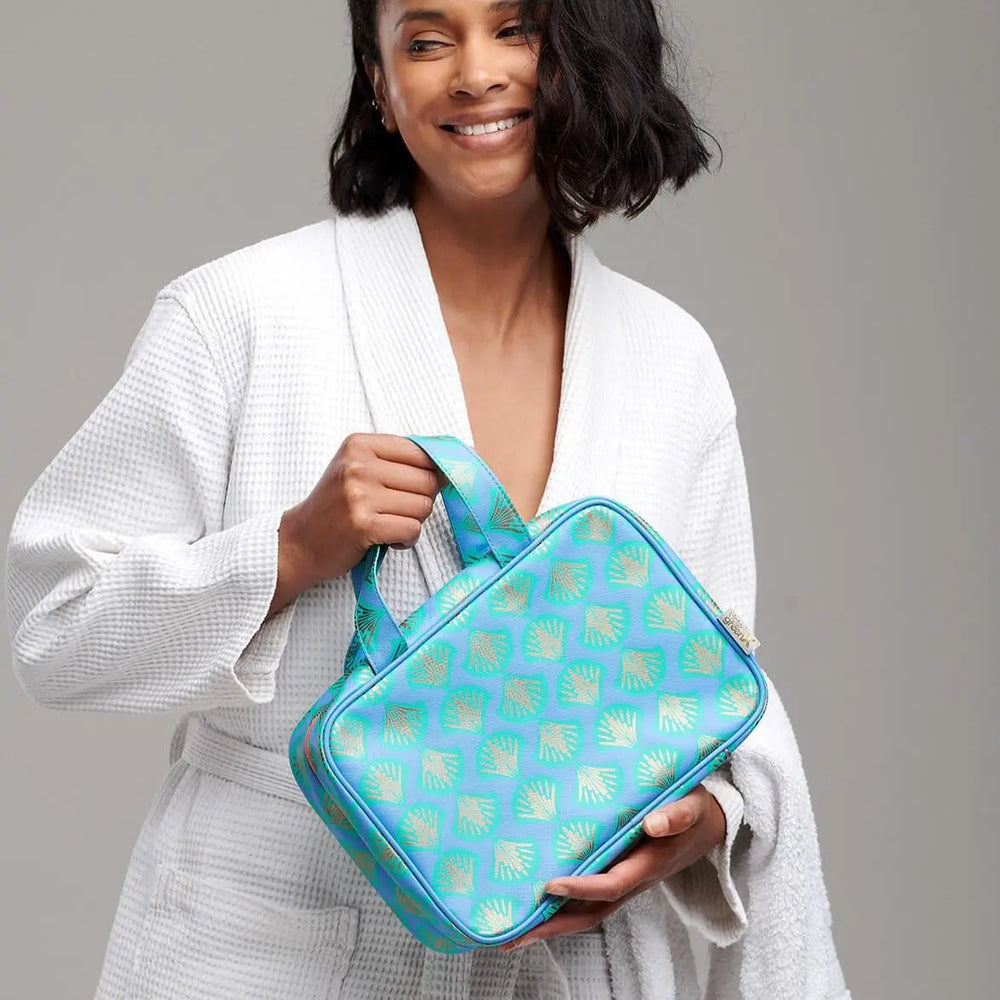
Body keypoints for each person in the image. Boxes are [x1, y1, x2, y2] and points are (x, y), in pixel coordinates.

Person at [5, 1, 850, 998]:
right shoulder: (237, 316)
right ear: (378, 78)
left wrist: (694, 827)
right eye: (427, 39)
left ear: (579, 49)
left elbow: (710, 694)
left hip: (565, 959)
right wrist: (285, 550)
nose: (474, 73)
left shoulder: (671, 363)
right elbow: (52, 634)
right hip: (271, 946)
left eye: (515, 29)